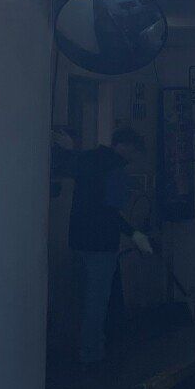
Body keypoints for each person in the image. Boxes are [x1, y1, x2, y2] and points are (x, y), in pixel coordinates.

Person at [54, 128, 147, 365]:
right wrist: (134, 233)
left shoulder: (86, 159)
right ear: (125, 146)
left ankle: (76, 347)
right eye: (134, 152)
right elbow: (111, 210)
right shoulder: (115, 169)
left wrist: (68, 147)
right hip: (102, 243)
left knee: (82, 297)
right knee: (96, 301)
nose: (133, 158)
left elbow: (70, 165)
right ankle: (92, 355)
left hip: (77, 239)